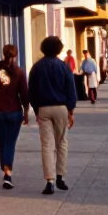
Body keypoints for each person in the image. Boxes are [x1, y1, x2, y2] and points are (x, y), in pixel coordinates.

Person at [29, 36, 77, 195]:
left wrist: (36, 110)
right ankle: (60, 177)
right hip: (61, 107)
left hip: (43, 108)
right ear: (59, 49)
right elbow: (71, 89)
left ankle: (48, 181)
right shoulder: (64, 66)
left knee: (46, 145)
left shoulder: (36, 67)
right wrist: (71, 110)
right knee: (62, 142)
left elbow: (32, 91)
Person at [0, 45, 30, 190]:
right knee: (10, 143)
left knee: (2, 142)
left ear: (2, 53)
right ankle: (7, 174)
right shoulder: (19, 72)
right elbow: (24, 95)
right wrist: (26, 112)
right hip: (14, 112)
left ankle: (5, 167)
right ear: (15, 56)